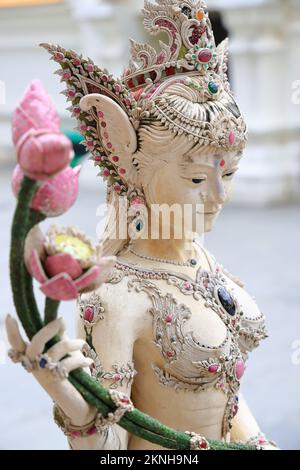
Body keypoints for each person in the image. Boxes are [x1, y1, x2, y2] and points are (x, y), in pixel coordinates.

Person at [6, 0, 278, 450]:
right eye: (195, 178)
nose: (219, 195)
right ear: (130, 167)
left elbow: (226, 390)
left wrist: (259, 443)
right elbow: (111, 447)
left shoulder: (198, 256)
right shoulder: (117, 296)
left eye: (227, 173)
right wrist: (65, 392)